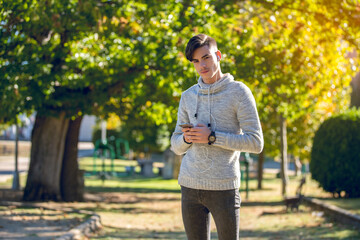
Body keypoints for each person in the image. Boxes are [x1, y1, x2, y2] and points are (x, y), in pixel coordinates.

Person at [170, 33, 264, 240]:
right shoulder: (188, 96)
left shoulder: (239, 92)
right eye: (195, 61)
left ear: (218, 55)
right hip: (190, 186)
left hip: (224, 188)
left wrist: (212, 137)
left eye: (206, 57)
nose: (201, 65)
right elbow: (175, 145)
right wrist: (188, 138)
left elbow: (256, 142)